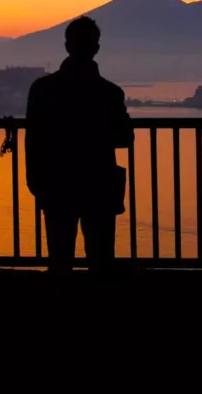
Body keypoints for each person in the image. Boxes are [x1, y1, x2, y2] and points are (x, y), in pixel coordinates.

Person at [25, 17, 134, 274]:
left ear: (67, 46)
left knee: (60, 257)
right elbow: (123, 139)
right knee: (101, 257)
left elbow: (33, 138)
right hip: (99, 182)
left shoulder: (43, 89)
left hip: (56, 181)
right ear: (96, 47)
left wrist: (35, 180)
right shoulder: (110, 93)